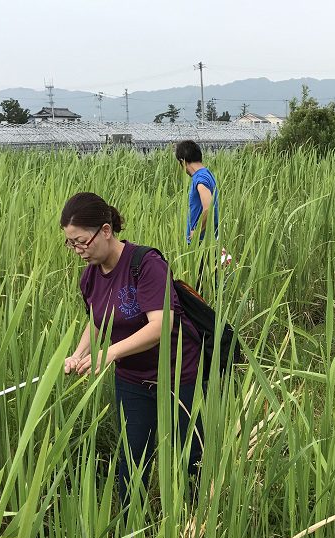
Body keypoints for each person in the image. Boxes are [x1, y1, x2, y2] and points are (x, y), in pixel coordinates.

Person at [60, 192, 204, 502]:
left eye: (82, 241)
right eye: (71, 244)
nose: (78, 250)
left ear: (106, 230)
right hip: (133, 380)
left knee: (192, 458)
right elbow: (99, 321)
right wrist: (79, 353)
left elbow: (160, 325)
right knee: (132, 460)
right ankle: (130, 532)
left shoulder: (145, 264)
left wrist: (110, 352)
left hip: (178, 376)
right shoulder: (89, 278)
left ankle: (197, 524)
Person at [175, 139, 219, 245]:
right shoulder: (208, 174)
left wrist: (197, 232)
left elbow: (208, 208)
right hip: (210, 238)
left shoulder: (200, 179)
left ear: (183, 161)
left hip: (201, 242)